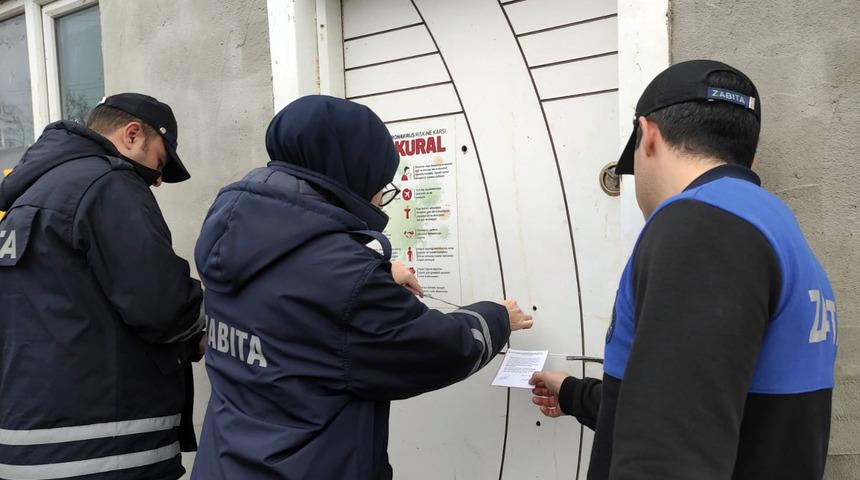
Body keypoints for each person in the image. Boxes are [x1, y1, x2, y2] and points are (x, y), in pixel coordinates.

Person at [191, 95, 533, 480]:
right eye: (380, 184)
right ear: (351, 174)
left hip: (224, 464)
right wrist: (497, 316)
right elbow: (438, 350)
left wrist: (374, 274)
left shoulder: (233, 232)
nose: (378, 198)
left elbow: (291, 310)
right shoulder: (344, 279)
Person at [531, 60, 837, 479]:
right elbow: (691, 409)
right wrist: (572, 393)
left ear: (649, 135)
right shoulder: (771, 227)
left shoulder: (699, 227)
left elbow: (669, 459)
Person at [0, 93, 206, 480]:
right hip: (105, 449)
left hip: (26, 444)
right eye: (158, 164)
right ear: (132, 135)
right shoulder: (108, 184)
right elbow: (162, 305)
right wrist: (203, 325)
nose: (158, 181)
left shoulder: (26, 199)